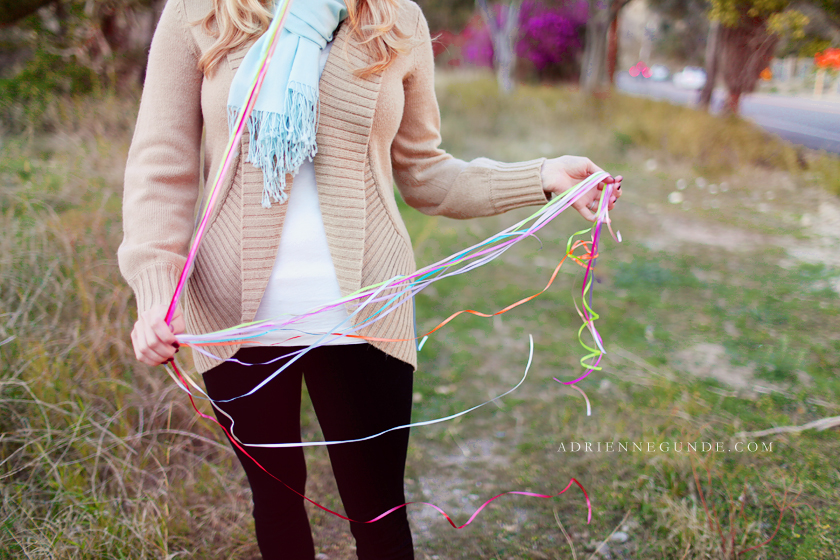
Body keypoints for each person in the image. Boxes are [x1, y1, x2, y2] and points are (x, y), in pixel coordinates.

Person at [119, 0, 621, 558]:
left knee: (378, 512)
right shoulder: (200, 12)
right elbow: (161, 164)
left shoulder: (394, 16)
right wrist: (155, 286)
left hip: (368, 314)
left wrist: (544, 175)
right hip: (232, 315)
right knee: (277, 505)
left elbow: (426, 173)